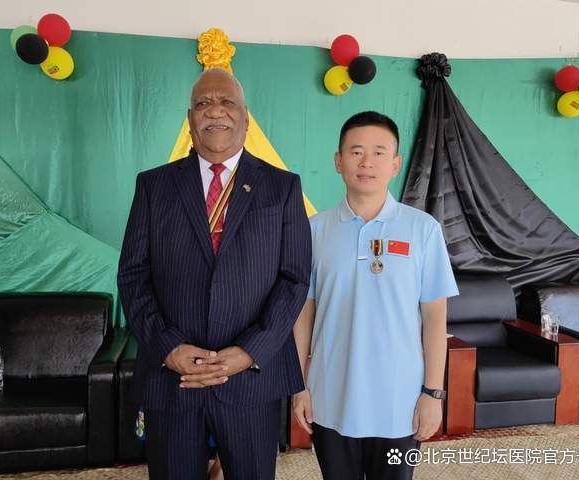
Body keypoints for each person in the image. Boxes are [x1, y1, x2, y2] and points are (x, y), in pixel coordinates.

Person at [118, 68, 311, 480]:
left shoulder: (282, 187)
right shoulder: (153, 186)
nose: (215, 111)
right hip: (173, 379)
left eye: (227, 102)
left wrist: (250, 351)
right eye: (203, 103)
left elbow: (294, 279)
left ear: (246, 117)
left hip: (251, 379)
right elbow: (133, 276)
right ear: (190, 119)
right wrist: (169, 349)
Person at [292, 111, 459, 480]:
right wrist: (299, 386)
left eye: (379, 152)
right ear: (338, 161)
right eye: (356, 152)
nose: (367, 162)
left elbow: (435, 318)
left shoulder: (423, 230)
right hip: (330, 397)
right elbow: (304, 313)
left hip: (400, 402)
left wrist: (433, 393)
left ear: (395, 164)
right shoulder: (313, 231)